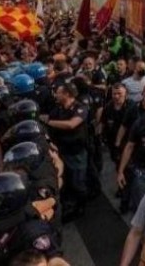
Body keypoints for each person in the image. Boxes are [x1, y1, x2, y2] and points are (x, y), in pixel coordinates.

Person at [42, 82, 89, 219]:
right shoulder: (58, 109)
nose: (56, 94)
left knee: (77, 182)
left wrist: (48, 122)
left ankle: (81, 207)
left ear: (67, 94)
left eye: (59, 92)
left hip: (76, 153)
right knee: (65, 181)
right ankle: (70, 206)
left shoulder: (80, 108)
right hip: (62, 151)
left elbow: (71, 124)